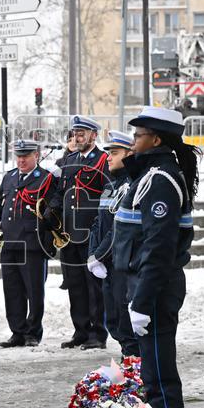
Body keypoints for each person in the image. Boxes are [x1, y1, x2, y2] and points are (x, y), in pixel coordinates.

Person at [113, 106, 199, 408]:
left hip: (155, 290)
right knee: (153, 372)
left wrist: (143, 302)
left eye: (139, 135)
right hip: (145, 286)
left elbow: (159, 249)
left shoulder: (161, 180)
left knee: (160, 375)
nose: (133, 141)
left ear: (157, 140)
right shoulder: (148, 175)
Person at [47, 116, 111, 350]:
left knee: (93, 285)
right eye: (75, 132)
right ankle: (81, 330)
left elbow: (109, 194)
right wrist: (52, 209)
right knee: (74, 284)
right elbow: (61, 191)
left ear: (94, 135)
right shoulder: (69, 160)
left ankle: (98, 333)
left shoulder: (104, 160)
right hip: (69, 232)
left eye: (83, 132)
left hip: (91, 232)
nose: (78, 136)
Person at [0, 139, 56, 348]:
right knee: (12, 289)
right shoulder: (9, 178)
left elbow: (51, 210)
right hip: (10, 242)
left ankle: (32, 332)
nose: (21, 160)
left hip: (32, 243)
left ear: (37, 155)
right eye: (18, 156)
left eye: (25, 156)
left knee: (34, 290)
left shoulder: (45, 178)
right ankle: (17, 331)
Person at [86, 131, 139, 358]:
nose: (108, 158)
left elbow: (118, 227)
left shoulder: (131, 185)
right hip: (108, 264)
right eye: (108, 153)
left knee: (126, 324)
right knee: (114, 322)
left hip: (121, 263)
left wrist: (98, 255)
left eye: (115, 153)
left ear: (129, 155)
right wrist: (92, 254)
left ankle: (135, 370)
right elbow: (98, 223)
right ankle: (129, 362)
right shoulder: (111, 186)